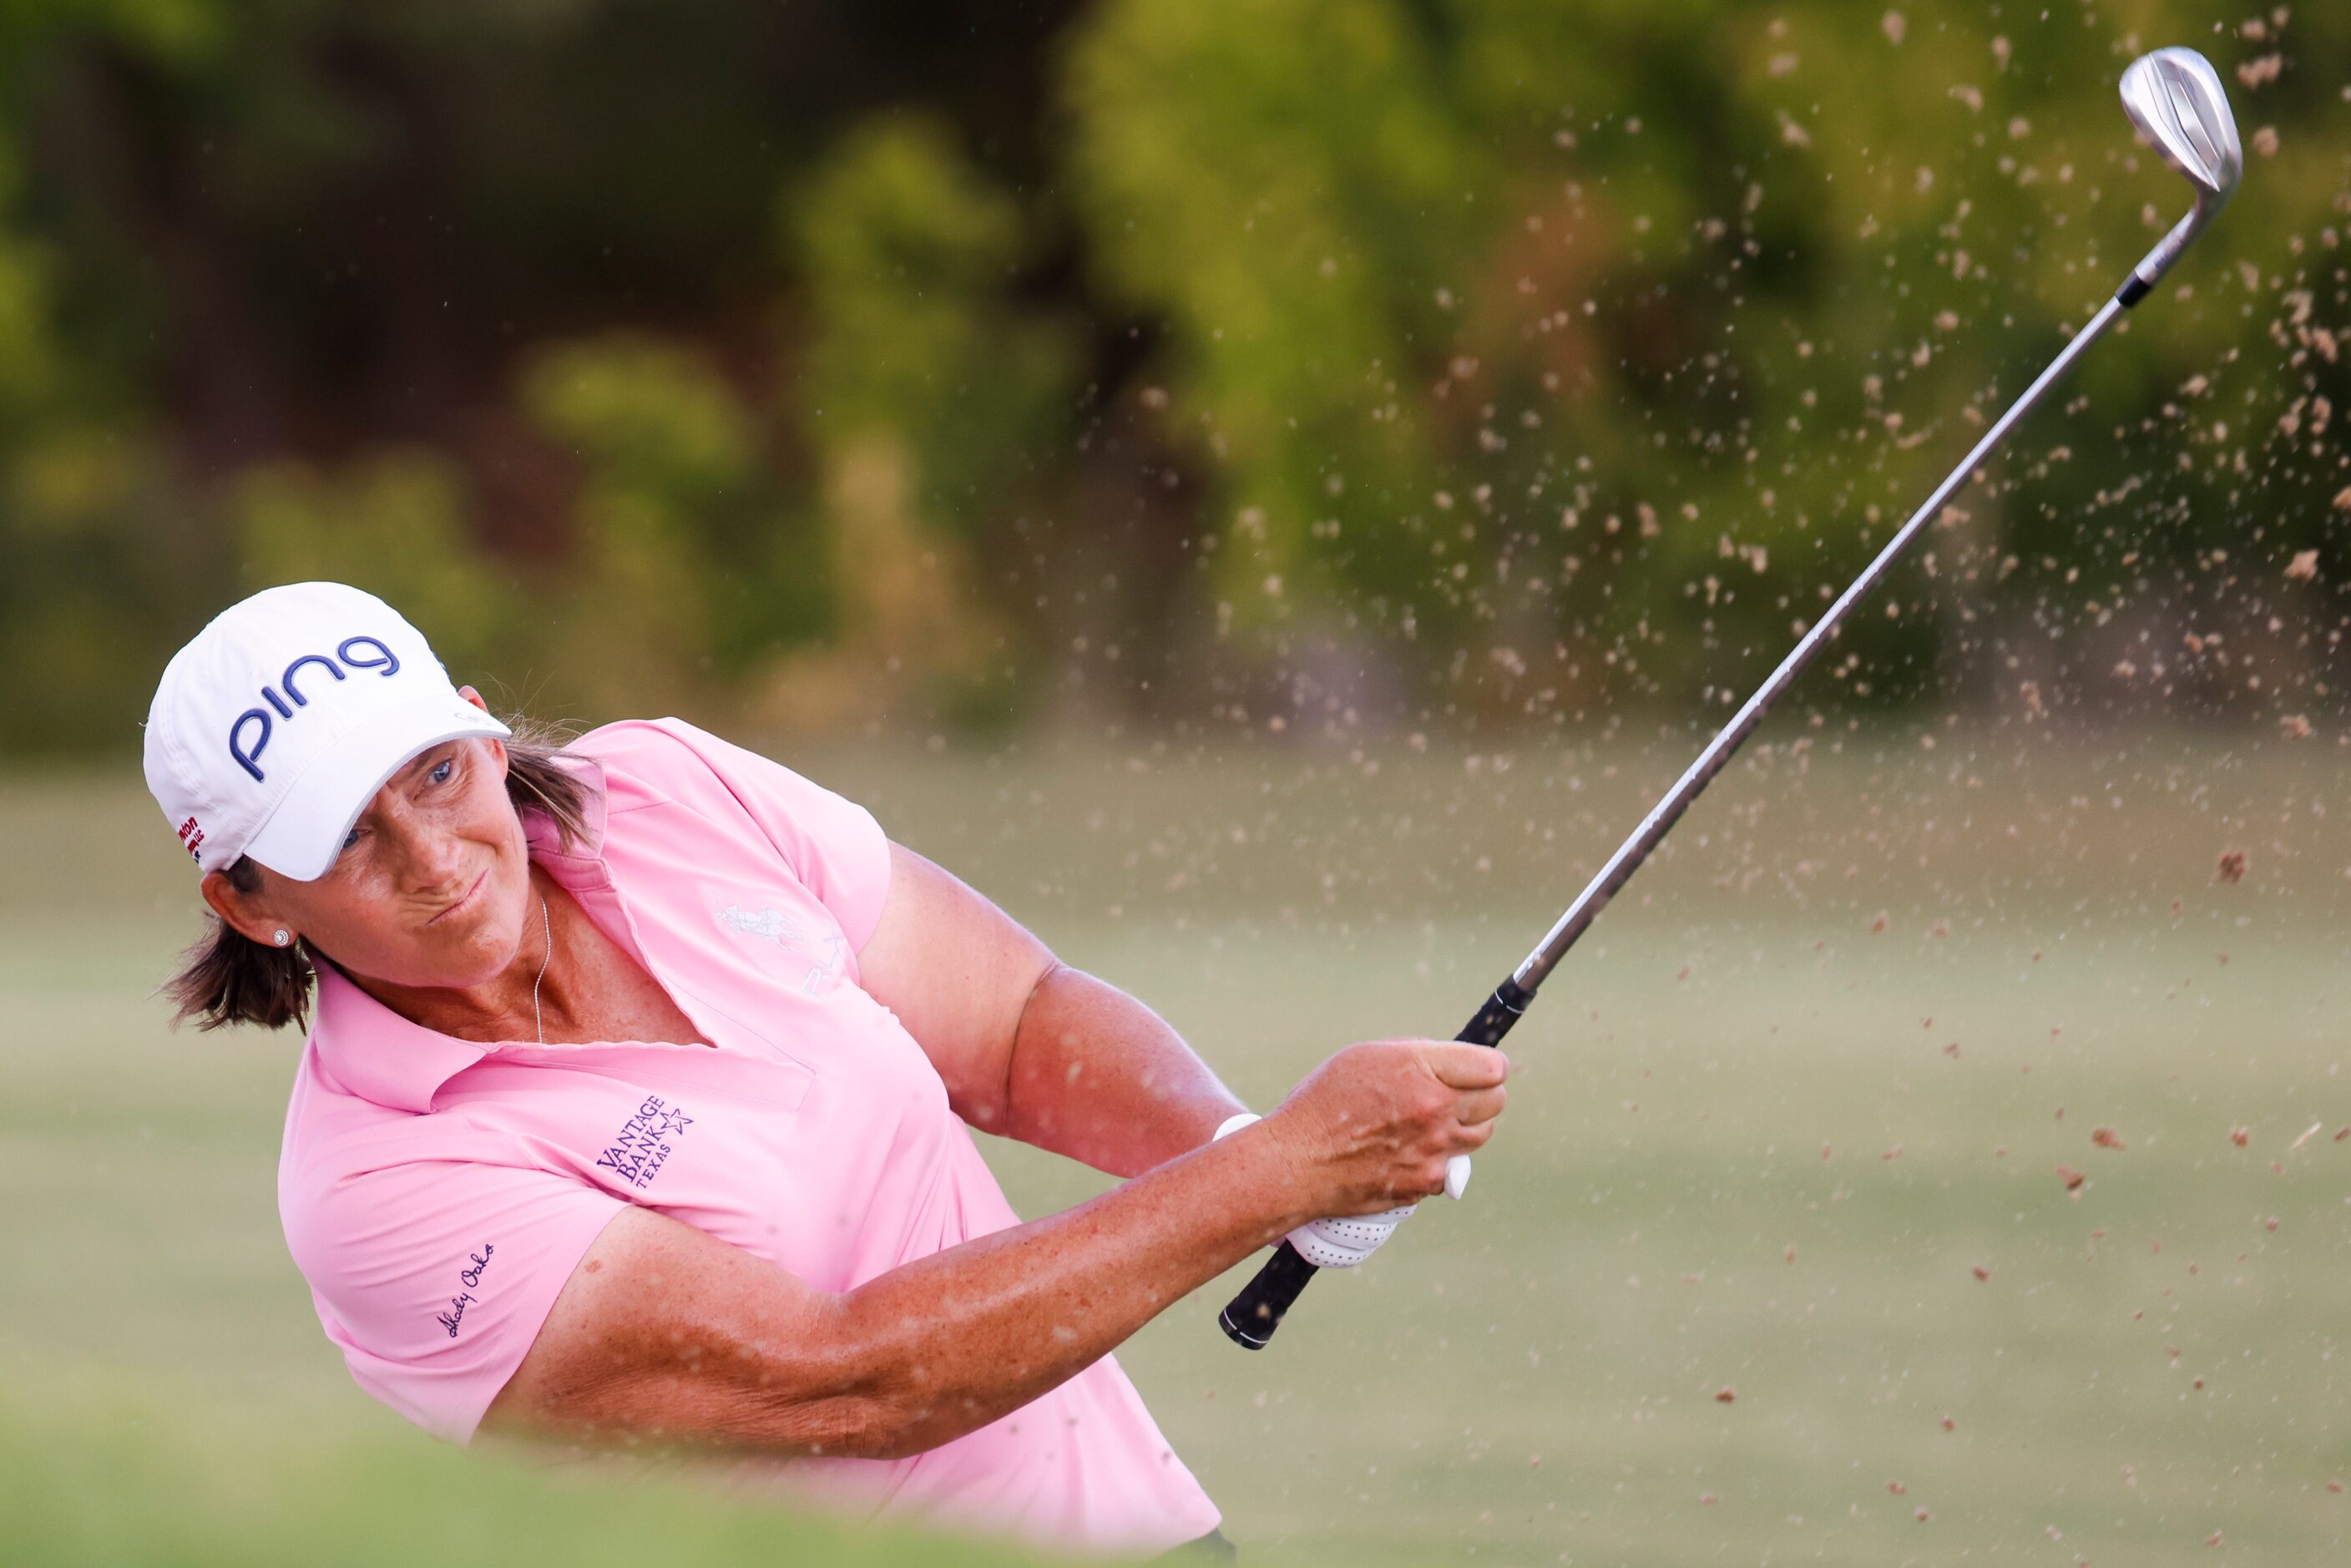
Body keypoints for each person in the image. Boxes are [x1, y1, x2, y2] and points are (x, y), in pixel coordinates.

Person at [143, 581, 1509, 1560]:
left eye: (436, 774)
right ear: (253, 899)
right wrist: (1272, 1175)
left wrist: (1226, 1137)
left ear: (488, 734)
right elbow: (847, 1380)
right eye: (350, 837)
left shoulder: (667, 792)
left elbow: (1018, 1022)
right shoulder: (378, 1184)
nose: (435, 856)